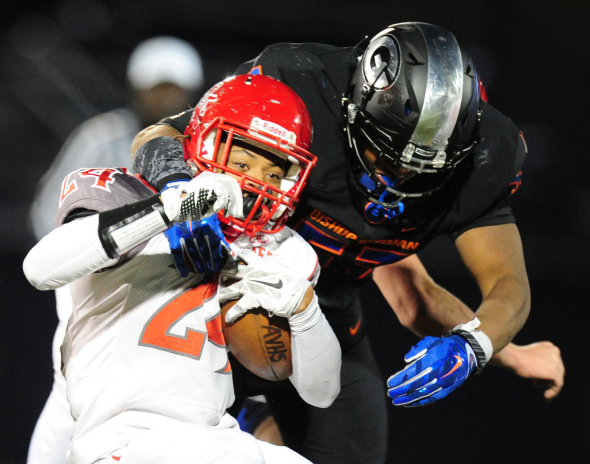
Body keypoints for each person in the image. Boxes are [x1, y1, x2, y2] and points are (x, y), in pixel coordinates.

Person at [130, 22, 565, 464]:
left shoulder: (485, 157)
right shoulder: (301, 87)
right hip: (216, 296)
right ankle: (255, 418)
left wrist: (482, 347)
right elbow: (159, 136)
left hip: (326, 320)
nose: (399, 178)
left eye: (424, 168)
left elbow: (463, 288)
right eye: (387, 153)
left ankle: (261, 417)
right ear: (355, 108)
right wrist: (182, 196)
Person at [23, 74, 341, 464]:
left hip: (215, 438)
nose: (256, 183)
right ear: (204, 145)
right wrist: (174, 208)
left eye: (274, 174)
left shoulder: (283, 249)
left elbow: (322, 391)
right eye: (242, 161)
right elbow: (40, 267)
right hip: (128, 438)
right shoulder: (125, 195)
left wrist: (304, 308)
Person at [26, 36, 204, 464]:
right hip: (101, 296)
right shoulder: (102, 135)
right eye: (156, 86)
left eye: (174, 86)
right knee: (69, 408)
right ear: (135, 86)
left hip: (176, 302)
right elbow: (45, 217)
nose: (165, 96)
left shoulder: (206, 145)